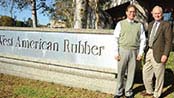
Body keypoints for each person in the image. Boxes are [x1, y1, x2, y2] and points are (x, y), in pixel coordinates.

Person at [113, 4, 146, 98]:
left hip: (134, 51)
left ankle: (128, 92)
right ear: (126, 13)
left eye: (133, 12)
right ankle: (119, 92)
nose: (132, 13)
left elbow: (143, 39)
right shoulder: (120, 24)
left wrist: (140, 53)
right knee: (121, 72)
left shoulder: (139, 25)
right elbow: (115, 38)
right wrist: (116, 52)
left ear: (135, 13)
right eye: (130, 11)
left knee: (131, 73)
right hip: (123, 50)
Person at [141, 5, 173, 98]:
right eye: (155, 13)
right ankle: (149, 91)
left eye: (159, 13)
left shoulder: (166, 24)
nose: (157, 15)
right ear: (152, 13)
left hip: (160, 53)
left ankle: (157, 94)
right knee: (146, 72)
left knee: (159, 75)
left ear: (162, 14)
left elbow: (168, 41)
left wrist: (165, 54)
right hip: (149, 51)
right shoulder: (150, 24)